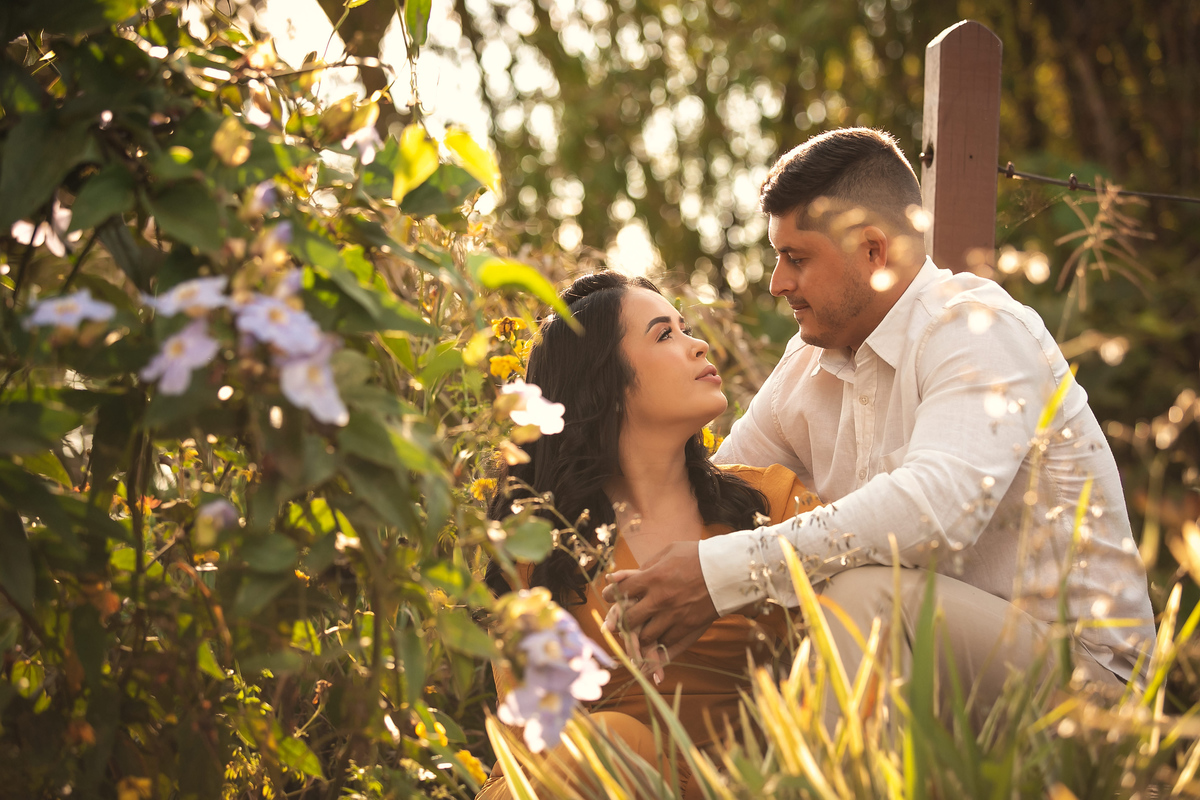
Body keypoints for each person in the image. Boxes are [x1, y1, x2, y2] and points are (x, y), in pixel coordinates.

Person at [602, 128, 1156, 728]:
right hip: (931, 678)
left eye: (797, 258)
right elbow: (719, 495)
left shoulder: (976, 327)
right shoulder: (808, 366)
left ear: (874, 251)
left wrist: (721, 573)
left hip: (1087, 688)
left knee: (863, 598)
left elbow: (933, 511)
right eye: (776, 257)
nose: (776, 283)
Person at [476, 272, 819, 799]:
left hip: (751, 783)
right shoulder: (540, 550)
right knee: (607, 742)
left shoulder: (767, 505)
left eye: (686, 327)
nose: (699, 343)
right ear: (604, 383)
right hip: (589, 782)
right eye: (665, 335)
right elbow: (528, 754)